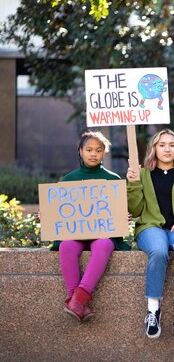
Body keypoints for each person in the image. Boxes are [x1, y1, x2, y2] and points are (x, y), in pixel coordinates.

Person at [127, 129, 174, 339]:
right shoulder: (141, 174)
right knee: (159, 251)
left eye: (172, 145)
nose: (167, 149)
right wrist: (132, 185)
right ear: (154, 149)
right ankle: (153, 310)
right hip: (150, 227)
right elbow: (135, 209)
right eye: (162, 145)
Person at [52, 130, 131, 322]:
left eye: (98, 150)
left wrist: (122, 216)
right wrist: (48, 216)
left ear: (104, 152)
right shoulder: (69, 180)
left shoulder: (112, 179)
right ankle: (77, 301)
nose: (93, 154)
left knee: (104, 244)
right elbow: (60, 210)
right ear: (80, 151)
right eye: (89, 149)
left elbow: (117, 210)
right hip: (76, 234)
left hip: (102, 235)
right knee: (66, 246)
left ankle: (78, 299)